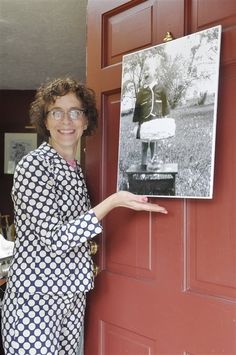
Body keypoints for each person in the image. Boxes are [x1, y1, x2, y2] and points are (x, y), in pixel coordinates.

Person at [1, 77, 167, 355]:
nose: (66, 120)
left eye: (75, 112)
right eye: (57, 112)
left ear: (86, 121)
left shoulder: (75, 170)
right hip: (35, 298)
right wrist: (113, 202)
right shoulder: (34, 165)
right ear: (46, 121)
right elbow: (56, 239)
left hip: (72, 294)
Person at [133, 75, 169, 169]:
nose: (147, 78)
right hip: (144, 121)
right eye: (146, 77)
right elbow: (138, 106)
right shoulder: (142, 91)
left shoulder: (160, 88)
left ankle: (154, 168)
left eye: (149, 76)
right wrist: (137, 121)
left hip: (155, 120)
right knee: (144, 146)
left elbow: (165, 103)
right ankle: (143, 168)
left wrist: (165, 116)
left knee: (154, 145)